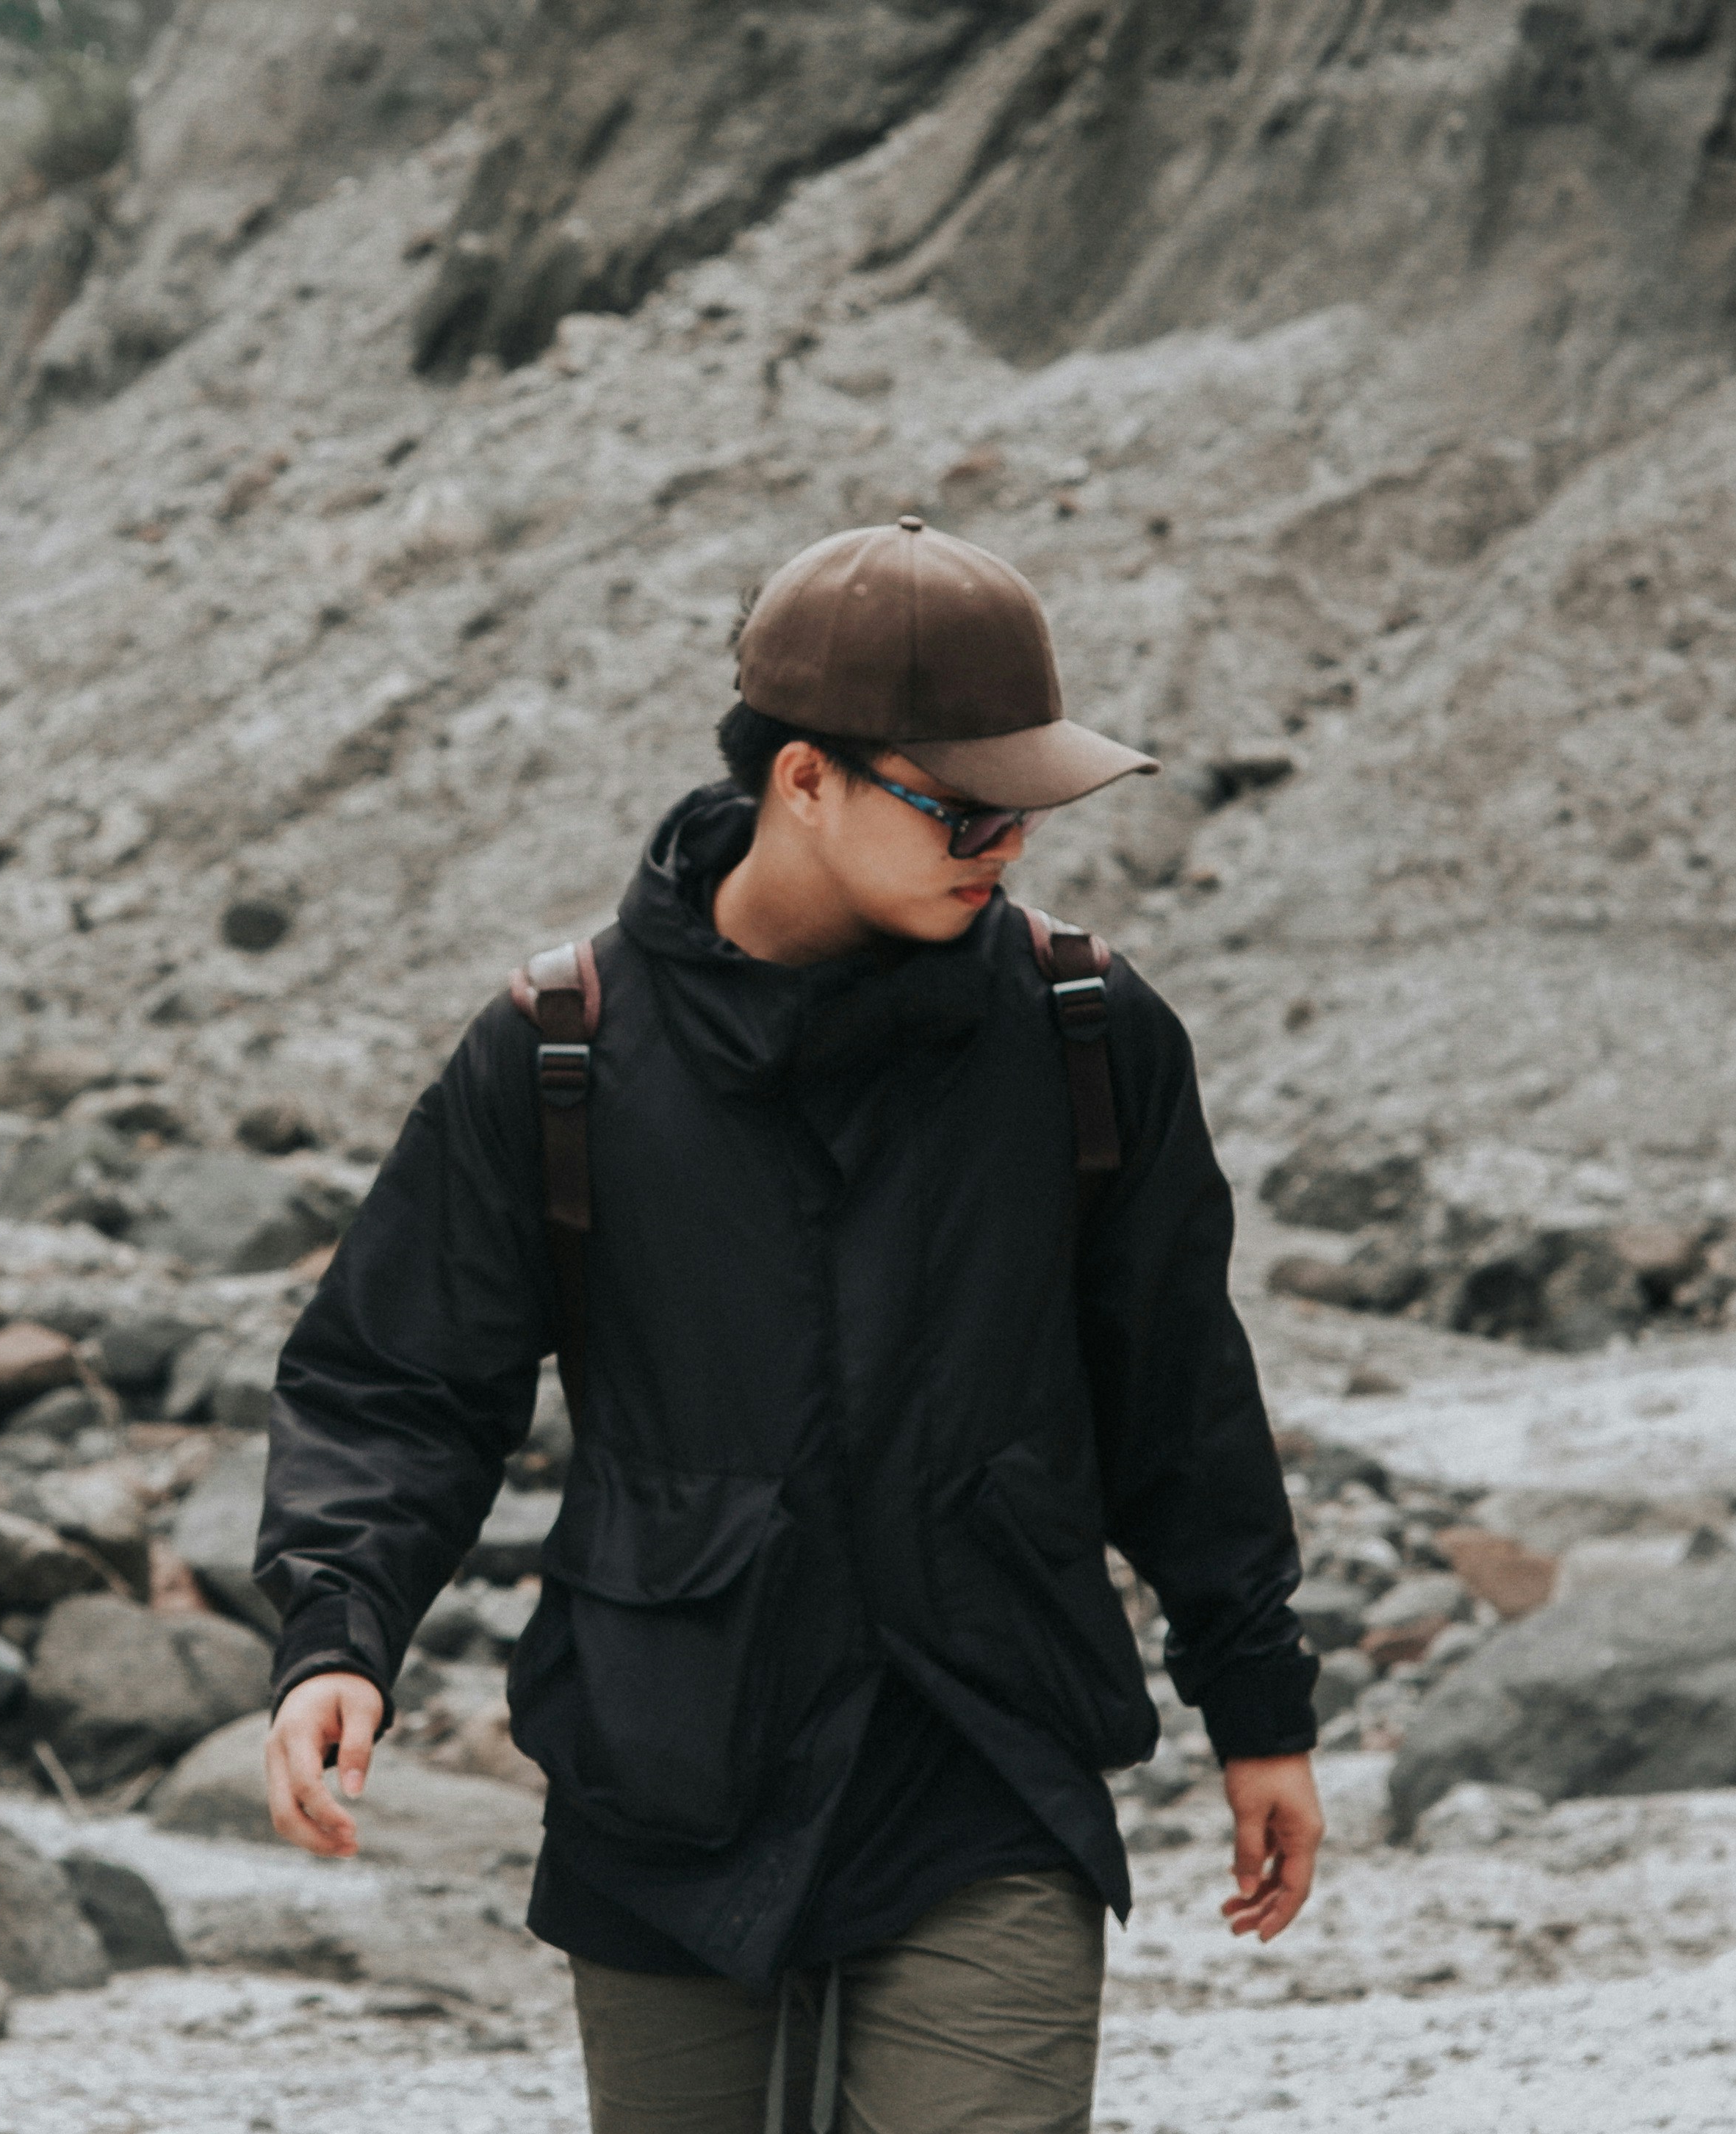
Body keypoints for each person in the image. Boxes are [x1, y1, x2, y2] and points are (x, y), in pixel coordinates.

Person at [254, 516, 1325, 2133]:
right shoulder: (558, 1052)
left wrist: (1258, 1707)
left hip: (986, 1759)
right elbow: (396, 1381)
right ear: (802, 779)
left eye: (1025, 805)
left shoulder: (1089, 1040)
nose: (1004, 845)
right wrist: (337, 1633)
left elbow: (1176, 1395)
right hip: (666, 1775)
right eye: (961, 803)